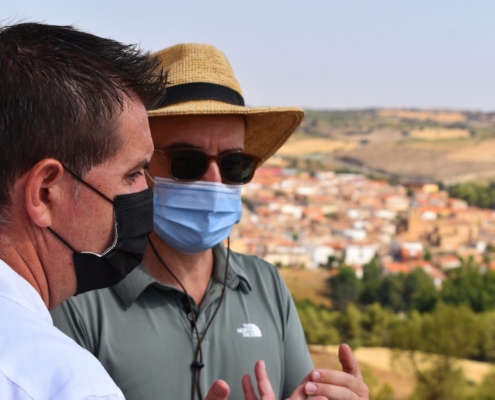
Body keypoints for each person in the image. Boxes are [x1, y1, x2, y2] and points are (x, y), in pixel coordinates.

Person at [52, 43, 370, 400]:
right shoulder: (78, 300)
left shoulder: (267, 286)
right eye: (187, 162)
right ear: (139, 166)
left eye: (235, 164)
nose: (215, 181)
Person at [0, 23, 246, 400]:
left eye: (235, 164)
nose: (147, 189)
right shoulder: (64, 383)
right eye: (133, 173)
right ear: (45, 193)